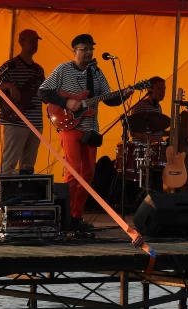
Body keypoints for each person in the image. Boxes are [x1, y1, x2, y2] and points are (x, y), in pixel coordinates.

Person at [38, 34, 133, 231]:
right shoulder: (63, 69)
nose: (88, 52)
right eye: (84, 49)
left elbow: (108, 98)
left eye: (91, 49)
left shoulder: (97, 73)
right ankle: (64, 215)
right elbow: (43, 91)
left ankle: (76, 215)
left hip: (90, 128)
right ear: (74, 51)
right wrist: (67, 102)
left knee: (88, 173)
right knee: (73, 170)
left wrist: (123, 95)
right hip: (70, 126)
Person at [0, 29, 45, 175]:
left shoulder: (39, 69)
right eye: (32, 41)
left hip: (35, 120)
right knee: (9, 162)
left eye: (36, 41)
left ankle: (25, 194)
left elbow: (44, 92)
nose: (35, 44)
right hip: (15, 120)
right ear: (21, 42)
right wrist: (9, 86)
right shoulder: (11, 65)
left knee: (28, 164)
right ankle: (4, 194)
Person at [128, 76, 166, 142]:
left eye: (164, 89)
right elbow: (133, 132)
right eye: (159, 89)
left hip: (155, 149)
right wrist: (151, 139)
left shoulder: (158, 107)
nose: (163, 92)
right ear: (150, 90)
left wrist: (172, 133)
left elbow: (156, 131)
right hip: (143, 150)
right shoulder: (140, 106)